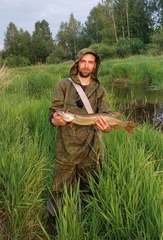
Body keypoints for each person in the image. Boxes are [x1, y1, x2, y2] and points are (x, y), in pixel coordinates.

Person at [46, 48, 112, 231]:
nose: (86, 65)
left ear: (95, 65)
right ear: (77, 63)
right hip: (65, 148)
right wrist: (55, 120)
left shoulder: (100, 91)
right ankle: (56, 227)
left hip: (91, 148)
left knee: (89, 188)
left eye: (90, 62)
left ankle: (87, 225)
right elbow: (54, 112)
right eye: (83, 61)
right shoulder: (63, 86)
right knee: (59, 189)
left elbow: (106, 119)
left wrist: (106, 128)